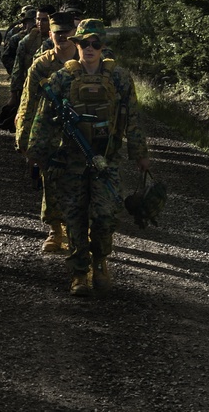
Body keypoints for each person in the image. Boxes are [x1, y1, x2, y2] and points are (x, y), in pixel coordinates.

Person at [27, 19, 151, 297]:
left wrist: (140, 153)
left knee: (105, 215)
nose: (90, 48)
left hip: (107, 159)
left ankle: (100, 260)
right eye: (85, 43)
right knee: (74, 217)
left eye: (96, 43)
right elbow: (44, 117)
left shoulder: (119, 78)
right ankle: (79, 273)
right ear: (77, 44)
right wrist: (36, 151)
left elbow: (132, 117)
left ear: (103, 46)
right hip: (71, 159)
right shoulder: (62, 78)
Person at [15, 11, 79, 252]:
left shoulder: (86, 61)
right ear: (50, 34)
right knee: (50, 181)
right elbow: (27, 102)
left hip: (80, 134)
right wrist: (24, 139)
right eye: (57, 33)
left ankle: (80, 232)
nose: (62, 37)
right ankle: (55, 230)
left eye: (66, 32)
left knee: (80, 184)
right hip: (49, 132)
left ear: (75, 34)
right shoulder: (41, 65)